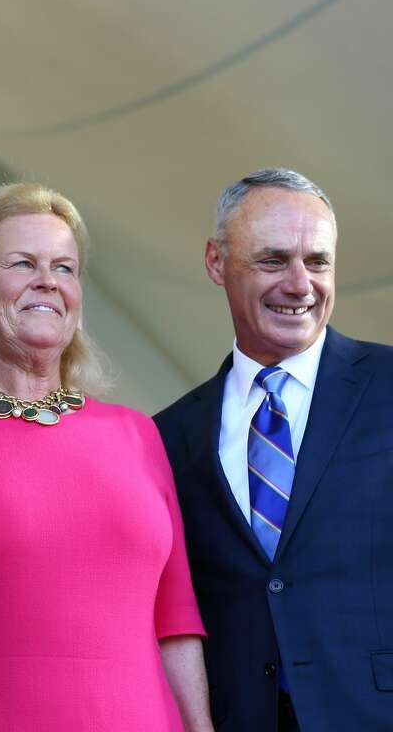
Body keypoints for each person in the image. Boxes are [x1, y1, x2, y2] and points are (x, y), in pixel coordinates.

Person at [0, 183, 212, 731]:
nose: (48, 280)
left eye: (64, 268)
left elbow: (176, 624)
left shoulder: (137, 435)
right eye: (23, 263)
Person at [154, 167, 393, 731]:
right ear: (217, 262)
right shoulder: (169, 436)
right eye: (272, 260)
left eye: (318, 262)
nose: (300, 284)